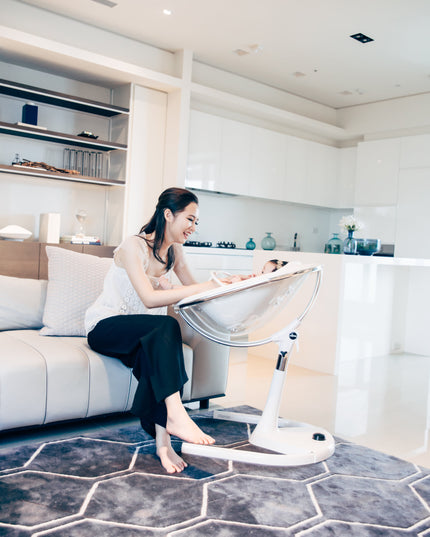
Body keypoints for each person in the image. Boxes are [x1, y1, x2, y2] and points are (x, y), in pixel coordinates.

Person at [85, 187, 228, 474]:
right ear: (167, 214)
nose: (193, 227)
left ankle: (163, 445)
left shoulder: (175, 252)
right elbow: (149, 300)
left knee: (160, 348)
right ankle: (176, 415)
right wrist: (204, 285)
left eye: (196, 222)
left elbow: (195, 294)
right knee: (166, 325)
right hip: (107, 327)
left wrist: (232, 283)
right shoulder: (132, 246)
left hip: (146, 335)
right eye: (190, 219)